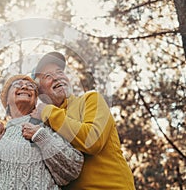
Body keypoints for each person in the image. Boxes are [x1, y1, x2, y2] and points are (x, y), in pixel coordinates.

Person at [30, 51, 135, 190]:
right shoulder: (41, 125)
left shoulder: (91, 100)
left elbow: (92, 140)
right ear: (40, 92)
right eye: (48, 76)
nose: (57, 78)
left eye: (60, 72)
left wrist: (48, 111)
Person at [0, 74, 83, 190]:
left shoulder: (45, 127)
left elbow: (73, 169)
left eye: (31, 86)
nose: (25, 87)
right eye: (18, 84)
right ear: (6, 99)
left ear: (35, 100)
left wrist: (42, 137)